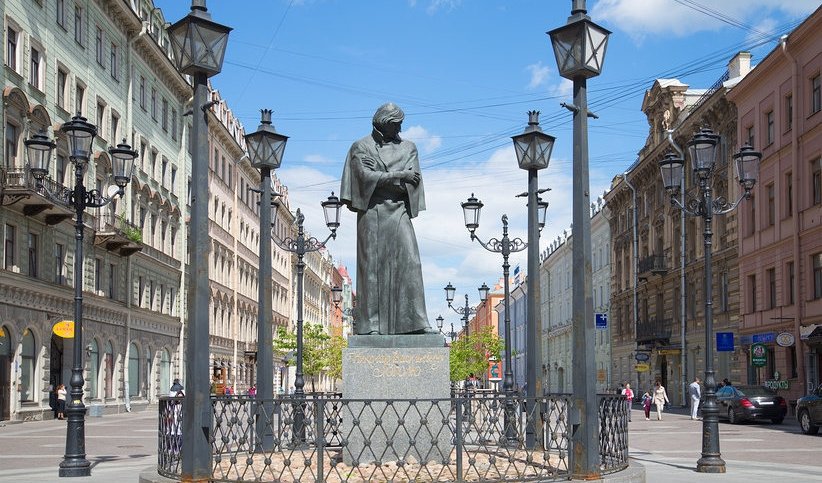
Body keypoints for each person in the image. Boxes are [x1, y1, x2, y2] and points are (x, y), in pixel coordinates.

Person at [340, 102, 430, 335]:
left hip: (398, 209)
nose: (400, 130)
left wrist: (381, 178)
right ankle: (370, 326)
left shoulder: (409, 147)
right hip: (371, 213)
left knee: (411, 262)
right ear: (383, 124)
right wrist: (399, 175)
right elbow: (363, 177)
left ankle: (416, 323)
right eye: (396, 125)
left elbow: (414, 180)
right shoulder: (361, 146)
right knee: (371, 268)